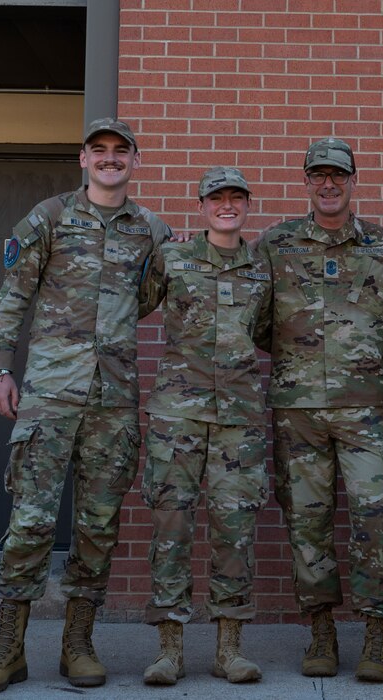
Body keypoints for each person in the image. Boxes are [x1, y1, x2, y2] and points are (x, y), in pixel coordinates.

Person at [0, 118, 172, 695]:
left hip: (114, 400)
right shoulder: (50, 217)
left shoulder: (153, 231)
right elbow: (14, 295)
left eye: (120, 151)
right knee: (30, 522)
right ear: (83, 159)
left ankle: (78, 645)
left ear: (135, 160)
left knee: (98, 526)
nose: (110, 159)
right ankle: (7, 650)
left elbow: (150, 299)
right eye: (99, 150)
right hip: (51, 395)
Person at [255, 138, 383, 682]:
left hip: (361, 409)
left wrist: (362, 364)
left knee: (374, 520)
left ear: (352, 180)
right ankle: (320, 632)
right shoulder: (274, 245)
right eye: (318, 176)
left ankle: (375, 636)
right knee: (308, 524)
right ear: (305, 181)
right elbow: (257, 322)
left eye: (337, 176)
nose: (328, 185)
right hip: (297, 411)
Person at [138, 167, 272, 686]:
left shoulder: (262, 269)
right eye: (218, 198)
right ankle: (169, 650)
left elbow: (266, 330)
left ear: (247, 206)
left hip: (239, 417)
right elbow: (137, 301)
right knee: (171, 526)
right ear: (201, 206)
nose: (228, 205)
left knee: (234, 531)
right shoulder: (172, 258)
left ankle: (229, 649)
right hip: (179, 414)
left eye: (237, 197)